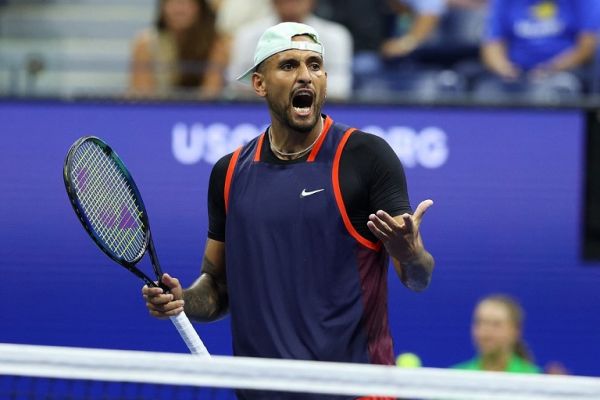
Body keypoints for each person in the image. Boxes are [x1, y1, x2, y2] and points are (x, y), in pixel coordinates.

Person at [143, 22, 435, 399]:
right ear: (260, 84)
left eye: (315, 65)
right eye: (289, 66)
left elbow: (418, 279)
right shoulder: (229, 173)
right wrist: (184, 299)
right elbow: (217, 287)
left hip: (357, 392)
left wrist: (411, 254)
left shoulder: (366, 157)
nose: (305, 77)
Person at [475, 0, 600, 102]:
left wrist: (551, 69)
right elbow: (492, 44)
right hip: (517, 73)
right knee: (487, 87)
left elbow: (587, 46)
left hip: (567, 70)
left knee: (561, 87)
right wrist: (505, 69)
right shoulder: (503, 2)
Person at [226, 0, 353, 99]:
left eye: (314, 66)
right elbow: (237, 85)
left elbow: (339, 88)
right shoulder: (247, 35)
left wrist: (281, 89)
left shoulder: (336, 36)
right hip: (260, 112)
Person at [129, 0, 227, 97]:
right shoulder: (146, 44)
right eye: (172, 2)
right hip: (158, 109)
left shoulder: (215, 44)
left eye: (186, 2)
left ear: (200, 7)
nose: (179, 9)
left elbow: (211, 95)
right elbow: (143, 97)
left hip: (201, 110)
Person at [453, 294, 541, 373]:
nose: (485, 332)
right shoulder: (457, 375)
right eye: (480, 322)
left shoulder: (534, 378)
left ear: (515, 331)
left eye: (496, 324)